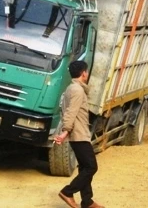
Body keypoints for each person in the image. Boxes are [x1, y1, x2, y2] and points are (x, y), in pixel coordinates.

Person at [54, 61, 103, 208]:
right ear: (83, 73)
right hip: (79, 134)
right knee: (91, 167)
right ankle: (68, 192)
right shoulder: (77, 90)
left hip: (79, 134)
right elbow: (71, 112)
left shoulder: (71, 88)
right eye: (86, 72)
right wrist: (65, 132)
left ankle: (87, 201)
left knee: (84, 167)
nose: (87, 74)